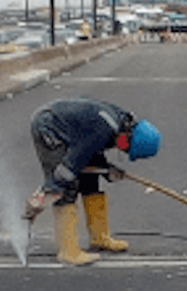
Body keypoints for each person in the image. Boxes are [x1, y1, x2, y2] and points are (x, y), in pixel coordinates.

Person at [22, 97, 162, 265]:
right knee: (67, 184)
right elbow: (75, 159)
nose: (122, 150)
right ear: (128, 137)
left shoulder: (120, 123)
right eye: (126, 148)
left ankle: (99, 238)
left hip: (73, 133)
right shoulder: (105, 128)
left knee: (90, 180)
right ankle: (68, 251)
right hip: (50, 127)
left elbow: (92, 151)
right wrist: (48, 191)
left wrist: (107, 170)